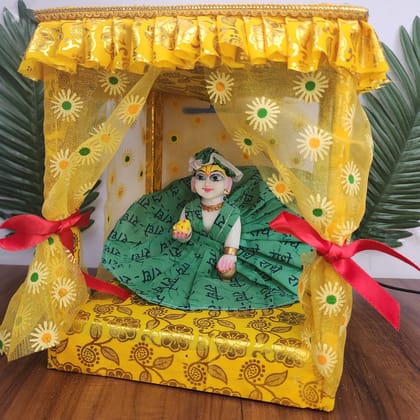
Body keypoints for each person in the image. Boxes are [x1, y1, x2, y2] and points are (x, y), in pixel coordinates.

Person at [102, 147, 311, 311]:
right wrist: (182, 236)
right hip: (193, 252)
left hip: (224, 255)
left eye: (215, 178)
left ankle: (225, 274)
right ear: (193, 184)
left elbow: (233, 236)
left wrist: (230, 255)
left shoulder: (231, 212)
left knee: (227, 272)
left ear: (227, 186)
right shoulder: (190, 208)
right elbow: (185, 232)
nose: (207, 183)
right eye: (201, 177)